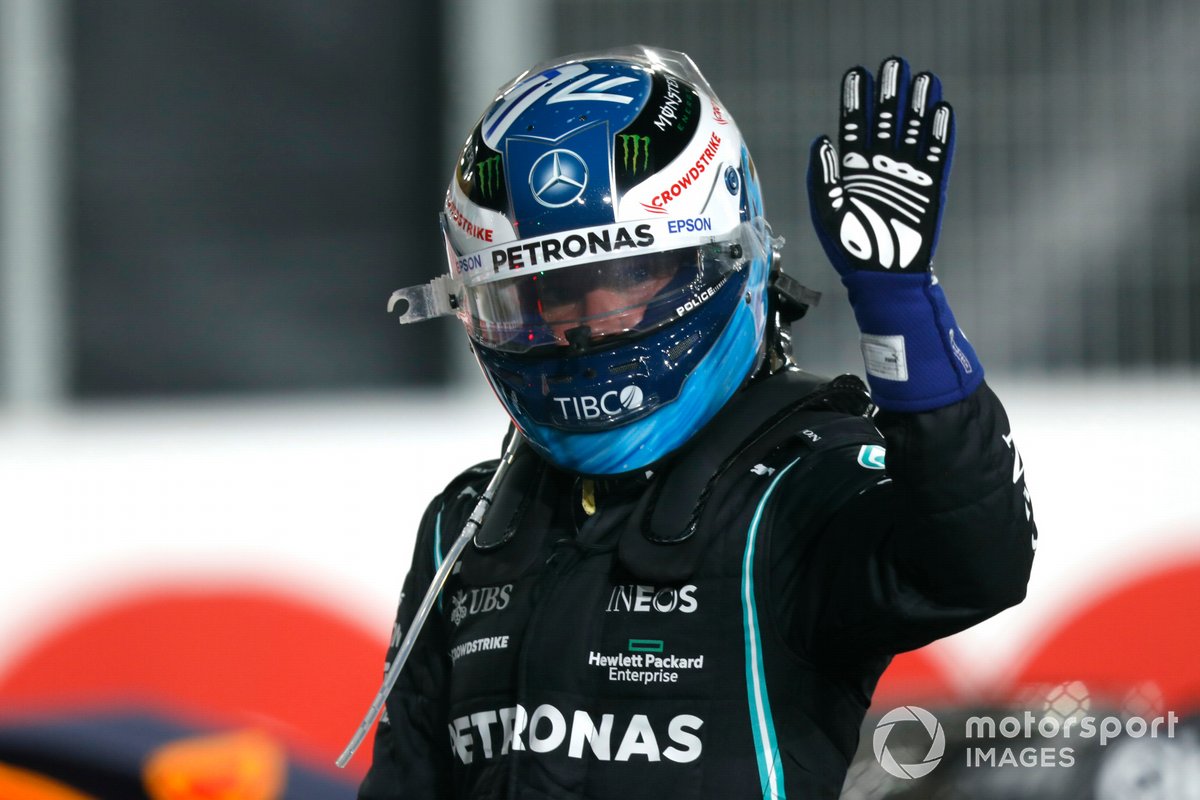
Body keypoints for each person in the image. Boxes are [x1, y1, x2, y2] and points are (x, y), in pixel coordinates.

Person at [354, 45, 1036, 799]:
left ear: (720, 259)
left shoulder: (794, 486)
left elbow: (976, 561)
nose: (590, 330)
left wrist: (899, 306)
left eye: (624, 279)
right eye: (549, 293)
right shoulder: (466, 528)